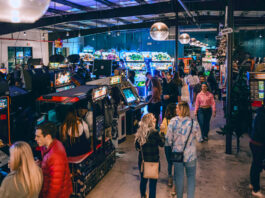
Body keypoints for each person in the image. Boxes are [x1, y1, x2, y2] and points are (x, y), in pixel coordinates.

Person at [166, 102, 202, 198]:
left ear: (182, 109)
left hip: (177, 155)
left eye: (177, 108)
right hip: (191, 155)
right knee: (191, 179)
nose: (176, 110)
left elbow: (168, 140)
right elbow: (199, 138)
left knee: (179, 179)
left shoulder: (173, 122)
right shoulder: (194, 123)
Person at [35, 121, 73, 198]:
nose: (35, 139)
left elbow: (55, 188)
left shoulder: (56, 156)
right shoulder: (50, 146)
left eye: (38, 136)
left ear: (48, 137)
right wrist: (41, 164)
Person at [135, 113, 165, 198]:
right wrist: (162, 132)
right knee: (152, 184)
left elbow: (137, 147)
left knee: (143, 181)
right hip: (154, 162)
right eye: (154, 118)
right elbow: (162, 144)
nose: (155, 119)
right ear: (150, 122)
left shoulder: (140, 133)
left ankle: (143, 195)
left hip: (143, 161)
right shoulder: (155, 133)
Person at [249, 100, 265, 198]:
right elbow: (261, 131)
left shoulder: (260, 112)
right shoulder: (262, 115)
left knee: (256, 164)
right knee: (257, 165)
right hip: (258, 143)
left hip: (256, 142)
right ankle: (255, 189)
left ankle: (253, 184)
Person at [160, 103, 177, 188]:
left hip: (167, 144)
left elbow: (162, 132)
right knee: (176, 162)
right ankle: (175, 180)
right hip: (176, 144)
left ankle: (170, 178)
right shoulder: (178, 120)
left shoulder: (165, 120)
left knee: (169, 162)